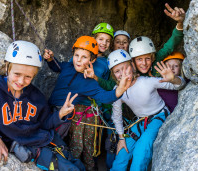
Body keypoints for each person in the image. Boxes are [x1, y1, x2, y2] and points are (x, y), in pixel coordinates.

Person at [0, 40, 85, 171]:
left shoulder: (36, 96)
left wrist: (60, 114)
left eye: (28, 77)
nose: (21, 81)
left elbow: (44, 123)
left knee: (77, 164)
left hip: (47, 138)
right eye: (17, 74)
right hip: (32, 148)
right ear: (7, 67)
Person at [43, 36, 132, 171]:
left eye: (84, 57)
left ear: (92, 60)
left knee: (58, 144)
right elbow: (57, 66)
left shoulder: (88, 82)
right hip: (51, 110)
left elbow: (103, 96)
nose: (78, 60)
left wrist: (119, 91)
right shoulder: (68, 66)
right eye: (76, 55)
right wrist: (50, 59)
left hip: (63, 118)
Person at [107, 49, 185, 171]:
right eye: (117, 71)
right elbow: (117, 116)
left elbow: (179, 85)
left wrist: (173, 78)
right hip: (140, 121)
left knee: (141, 150)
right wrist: (121, 138)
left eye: (125, 68)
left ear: (132, 66)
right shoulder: (117, 90)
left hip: (158, 116)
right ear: (113, 75)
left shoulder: (147, 82)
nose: (122, 73)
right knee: (122, 153)